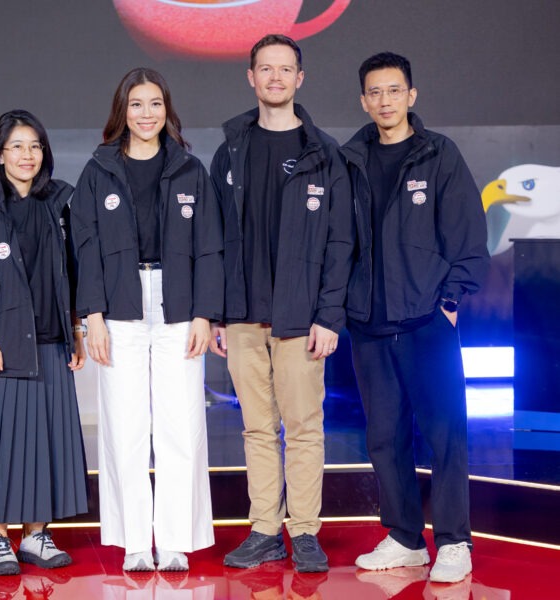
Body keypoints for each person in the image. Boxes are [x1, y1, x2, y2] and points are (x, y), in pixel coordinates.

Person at [342, 52, 488, 583]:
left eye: (394, 90)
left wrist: (448, 303)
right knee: (384, 437)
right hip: (369, 325)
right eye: (374, 92)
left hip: (427, 320)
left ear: (411, 95)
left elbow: (468, 234)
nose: (385, 100)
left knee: (445, 433)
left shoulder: (438, 155)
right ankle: (405, 538)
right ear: (363, 100)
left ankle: (453, 541)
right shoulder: (349, 160)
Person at [208, 34, 353, 573]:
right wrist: (218, 313)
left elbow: (341, 241)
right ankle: (266, 530)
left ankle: (305, 531)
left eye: (285, 69)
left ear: (300, 78)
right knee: (256, 429)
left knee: (305, 427)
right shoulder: (230, 149)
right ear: (251, 77)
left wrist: (329, 315)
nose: (275, 77)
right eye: (265, 69)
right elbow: (215, 238)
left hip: (302, 318)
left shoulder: (325, 154)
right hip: (243, 315)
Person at [70, 67, 223, 572]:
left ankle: (175, 538)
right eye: (136, 104)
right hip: (119, 307)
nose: (146, 113)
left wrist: (204, 313)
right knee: (124, 426)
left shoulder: (189, 169)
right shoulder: (99, 170)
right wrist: (92, 315)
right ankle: (135, 540)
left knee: (182, 424)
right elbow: (85, 247)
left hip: (179, 306)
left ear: (167, 109)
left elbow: (210, 246)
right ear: (122, 110)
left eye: (155, 103)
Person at [0, 109, 89, 576]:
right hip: (3, 346)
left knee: (44, 443)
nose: (27, 155)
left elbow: (71, 275)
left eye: (35, 146)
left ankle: (36, 536)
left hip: (50, 343)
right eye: (17, 147)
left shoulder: (59, 205)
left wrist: (76, 332)